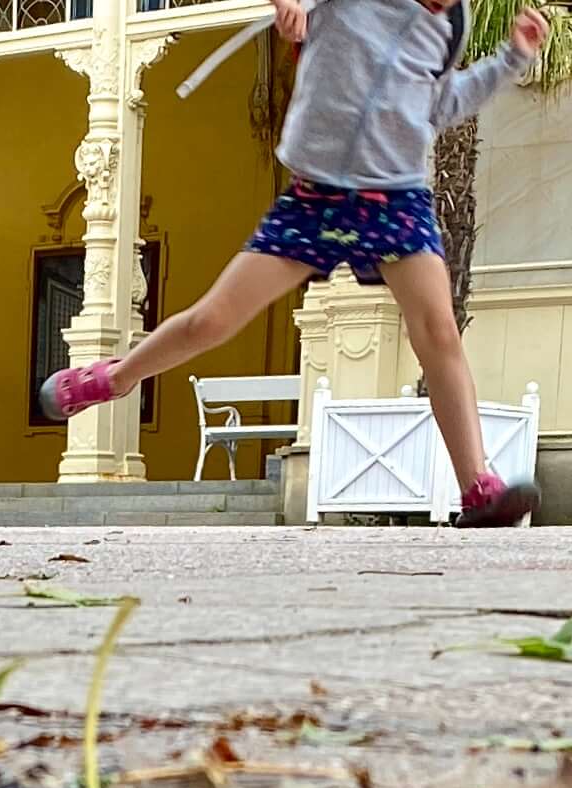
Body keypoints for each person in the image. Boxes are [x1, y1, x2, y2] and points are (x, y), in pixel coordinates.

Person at [47, 0, 546, 528]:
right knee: (212, 320)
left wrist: (512, 58)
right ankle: (116, 377)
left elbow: (441, 103)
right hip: (316, 199)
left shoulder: (452, 23)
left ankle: (477, 488)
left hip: (395, 198)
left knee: (439, 333)